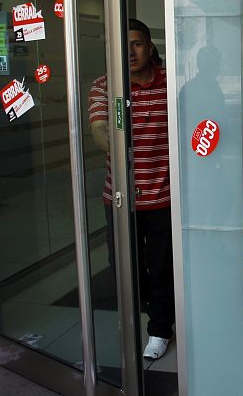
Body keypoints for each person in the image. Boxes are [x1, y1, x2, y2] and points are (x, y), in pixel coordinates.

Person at [88, 19, 175, 360]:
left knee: (163, 266)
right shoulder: (105, 86)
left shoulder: (169, 82)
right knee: (126, 267)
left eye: (137, 43)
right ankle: (149, 308)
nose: (130, 51)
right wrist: (109, 140)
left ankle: (159, 329)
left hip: (164, 197)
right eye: (123, 45)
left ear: (150, 48)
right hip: (121, 198)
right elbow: (99, 128)